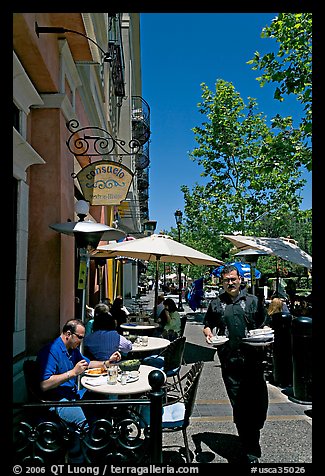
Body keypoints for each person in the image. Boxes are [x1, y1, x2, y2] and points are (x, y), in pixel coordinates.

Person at [203, 264, 269, 464]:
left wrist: (265, 335)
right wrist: (208, 334)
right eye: (226, 280)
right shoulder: (216, 304)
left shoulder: (254, 301)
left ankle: (252, 432)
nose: (230, 283)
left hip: (253, 362)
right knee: (240, 406)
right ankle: (250, 450)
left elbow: (263, 324)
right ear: (221, 282)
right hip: (230, 363)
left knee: (258, 405)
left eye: (233, 279)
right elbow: (207, 325)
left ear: (240, 279)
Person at [36, 318, 121, 462]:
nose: (81, 341)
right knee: (84, 423)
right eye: (80, 337)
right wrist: (73, 373)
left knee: (102, 402)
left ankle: (98, 445)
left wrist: (107, 362)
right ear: (68, 334)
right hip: (57, 401)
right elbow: (44, 384)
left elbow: (87, 363)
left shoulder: (72, 350)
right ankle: (79, 458)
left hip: (73, 394)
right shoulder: (51, 351)